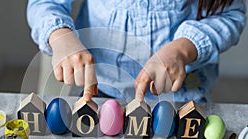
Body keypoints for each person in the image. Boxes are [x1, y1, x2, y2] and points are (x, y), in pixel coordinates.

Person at [27, 0, 246, 102]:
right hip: (103, 90)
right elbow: (45, 3)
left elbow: (231, 16)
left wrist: (183, 48)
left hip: (185, 96)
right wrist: (60, 35)